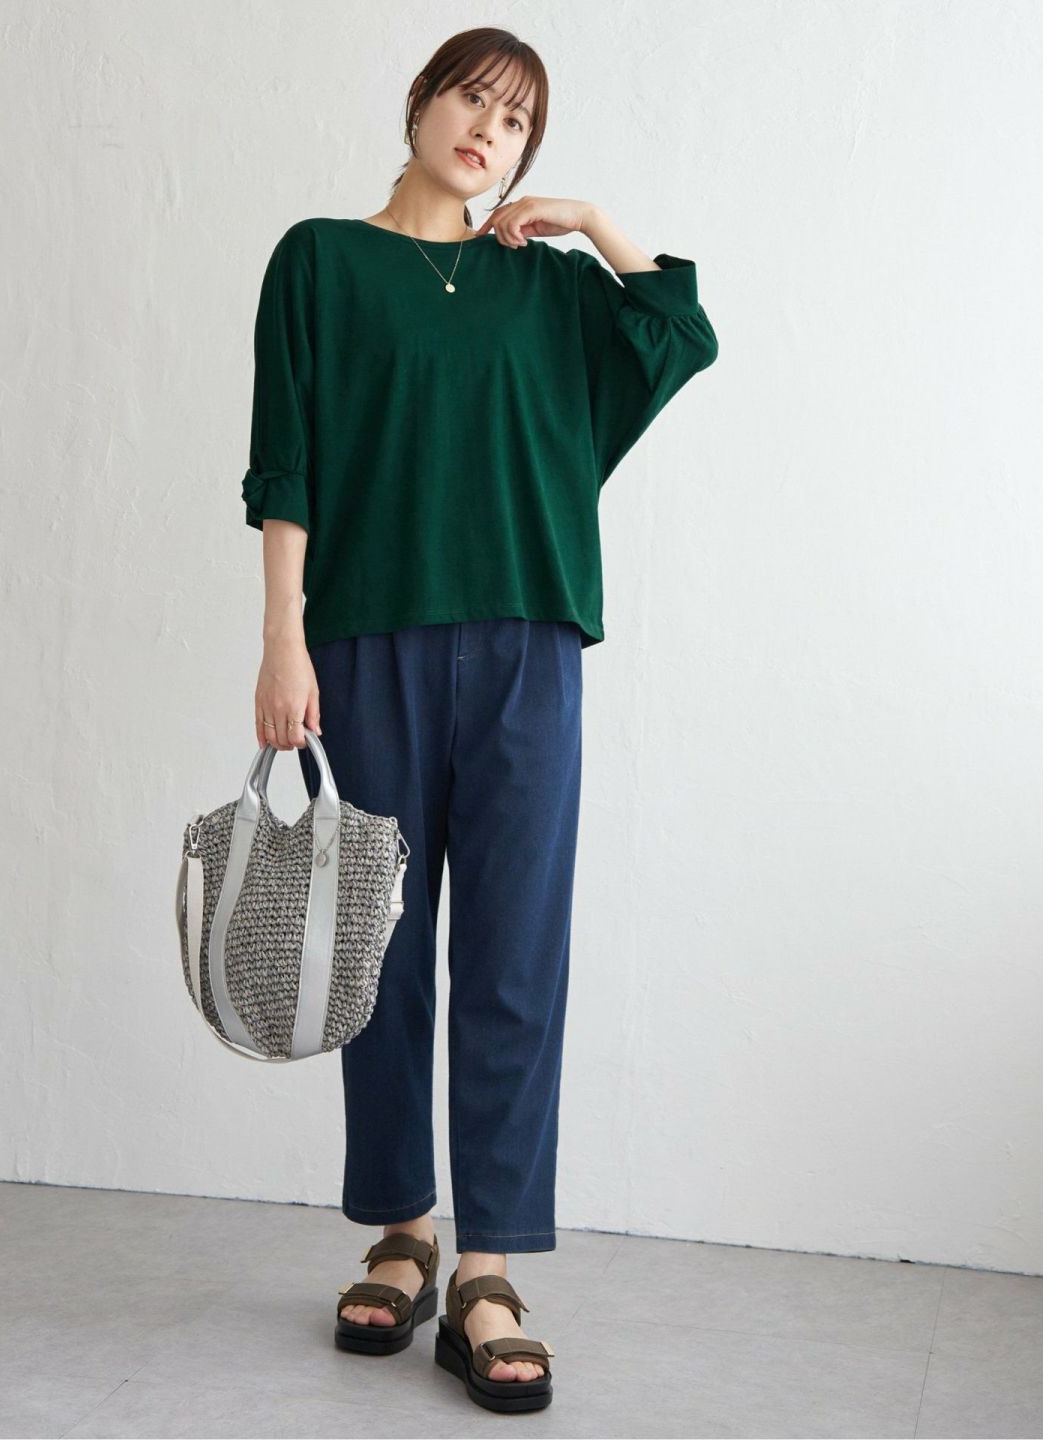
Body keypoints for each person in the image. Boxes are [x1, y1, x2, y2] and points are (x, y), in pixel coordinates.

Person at [240, 26, 718, 1414]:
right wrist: (282, 638)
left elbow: (680, 331)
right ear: (420, 103)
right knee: (380, 953)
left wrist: (591, 223)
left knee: (514, 957)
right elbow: (287, 460)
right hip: (366, 643)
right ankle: (402, 1230)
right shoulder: (321, 262)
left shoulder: (549, 290)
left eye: (516, 124)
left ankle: (489, 1269)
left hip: (527, 649)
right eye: (471, 100)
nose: (488, 133)